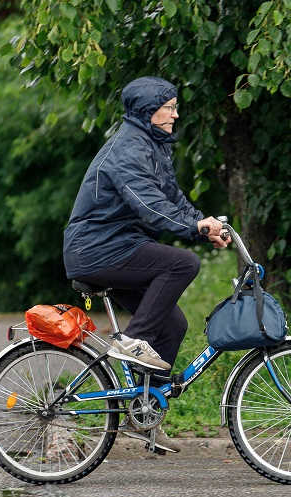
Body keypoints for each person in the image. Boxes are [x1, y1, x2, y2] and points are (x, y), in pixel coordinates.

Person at [63, 76, 230, 452]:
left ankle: (145, 412)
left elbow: (171, 199)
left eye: (174, 107)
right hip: (97, 249)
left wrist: (203, 226)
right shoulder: (129, 150)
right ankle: (133, 341)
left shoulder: (151, 145)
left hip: (117, 245)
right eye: (168, 107)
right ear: (146, 111)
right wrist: (192, 229)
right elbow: (150, 207)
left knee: (173, 324)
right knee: (182, 264)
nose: (175, 114)